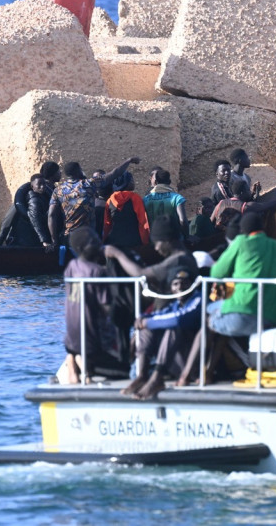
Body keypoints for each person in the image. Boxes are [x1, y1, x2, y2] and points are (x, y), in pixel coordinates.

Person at [178, 212, 276, 385]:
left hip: (241, 316)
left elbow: (216, 273)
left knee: (208, 316)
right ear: (262, 228)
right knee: (219, 316)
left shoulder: (241, 243)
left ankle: (189, 375)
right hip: (271, 319)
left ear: (243, 231)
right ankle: (208, 372)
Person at [125, 265, 204, 399]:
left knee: (172, 329)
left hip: (196, 366)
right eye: (176, 284)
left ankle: (157, 377)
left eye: (185, 283)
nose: (180, 287)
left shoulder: (199, 299)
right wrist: (142, 321)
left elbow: (179, 319)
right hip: (178, 363)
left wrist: (147, 322)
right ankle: (142, 375)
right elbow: (156, 316)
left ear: (192, 285)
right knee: (146, 330)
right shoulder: (175, 305)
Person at [61, 227, 128, 384]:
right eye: (95, 241)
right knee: (122, 368)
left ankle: (75, 358)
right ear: (83, 248)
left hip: (71, 339)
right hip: (91, 341)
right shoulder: (98, 272)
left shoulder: (71, 266)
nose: (100, 243)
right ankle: (77, 362)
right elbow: (107, 308)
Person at [48, 157, 140, 248]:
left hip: (68, 237)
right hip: (87, 236)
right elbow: (114, 174)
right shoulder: (88, 184)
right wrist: (128, 160)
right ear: (77, 172)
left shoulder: (57, 191)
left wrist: (54, 240)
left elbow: (51, 215)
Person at [0, 173, 53, 247]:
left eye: (44, 184)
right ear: (32, 186)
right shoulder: (29, 199)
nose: (42, 187)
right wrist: (44, 240)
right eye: (39, 184)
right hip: (22, 241)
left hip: (33, 241)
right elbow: (8, 221)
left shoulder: (45, 198)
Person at [103, 170, 149, 248]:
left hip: (114, 241)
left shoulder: (110, 200)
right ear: (126, 182)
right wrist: (145, 241)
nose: (133, 182)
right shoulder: (135, 198)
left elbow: (107, 224)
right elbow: (143, 222)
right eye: (131, 180)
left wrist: (103, 241)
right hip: (133, 242)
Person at [143, 167, 187, 236]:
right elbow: (183, 220)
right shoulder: (177, 198)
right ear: (169, 181)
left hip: (154, 240)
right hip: (174, 240)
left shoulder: (145, 199)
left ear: (155, 182)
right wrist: (186, 236)